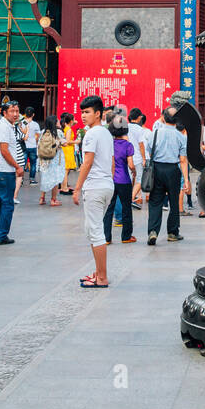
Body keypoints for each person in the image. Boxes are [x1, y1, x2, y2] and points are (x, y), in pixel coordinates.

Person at [72, 95, 115, 285]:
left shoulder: (91, 134)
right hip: (106, 185)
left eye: (87, 112)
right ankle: (98, 273)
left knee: (96, 232)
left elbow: (87, 161)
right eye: (82, 112)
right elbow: (112, 162)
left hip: (95, 186)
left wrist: (77, 187)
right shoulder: (106, 133)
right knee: (93, 230)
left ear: (98, 114)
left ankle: (102, 277)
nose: (83, 116)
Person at [146, 106, 188, 245]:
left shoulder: (155, 133)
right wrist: (186, 180)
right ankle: (172, 232)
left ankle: (153, 231)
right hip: (173, 170)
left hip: (157, 169)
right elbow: (182, 160)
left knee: (155, 201)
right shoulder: (181, 136)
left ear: (163, 117)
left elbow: (149, 152)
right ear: (177, 120)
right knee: (174, 202)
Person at [0, 102, 23, 245]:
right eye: (12, 111)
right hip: (4, 171)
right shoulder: (3, 127)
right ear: (4, 112)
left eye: (17, 111)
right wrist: (17, 167)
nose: (15, 114)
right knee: (7, 204)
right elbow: (4, 150)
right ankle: (1, 235)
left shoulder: (6, 126)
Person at [104, 113, 137, 244]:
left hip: (111, 180)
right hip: (124, 180)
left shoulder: (109, 144)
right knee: (126, 207)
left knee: (109, 209)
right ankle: (126, 236)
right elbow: (130, 164)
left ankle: (106, 237)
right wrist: (134, 171)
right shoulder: (128, 145)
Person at [37, 115, 65, 206]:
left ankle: (42, 198)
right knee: (55, 179)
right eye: (57, 121)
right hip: (55, 159)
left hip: (44, 159)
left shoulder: (43, 132)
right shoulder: (58, 132)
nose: (59, 122)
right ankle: (53, 200)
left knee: (45, 178)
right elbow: (64, 143)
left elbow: (39, 144)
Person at [127, 108, 149, 211]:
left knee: (129, 178)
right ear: (139, 117)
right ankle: (130, 198)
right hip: (137, 158)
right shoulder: (140, 129)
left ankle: (128, 198)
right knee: (140, 179)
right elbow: (141, 145)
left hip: (127, 158)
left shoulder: (125, 127)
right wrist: (144, 158)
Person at [21, 107, 40, 186]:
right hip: (32, 146)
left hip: (24, 146)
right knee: (33, 163)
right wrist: (34, 141)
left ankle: (20, 179)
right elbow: (37, 135)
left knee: (22, 163)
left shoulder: (22, 122)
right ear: (33, 115)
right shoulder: (35, 124)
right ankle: (32, 180)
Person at [60, 112, 78, 195]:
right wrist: (76, 141)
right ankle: (64, 188)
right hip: (67, 150)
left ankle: (64, 187)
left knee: (65, 170)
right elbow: (67, 141)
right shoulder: (69, 129)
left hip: (66, 149)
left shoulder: (65, 127)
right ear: (71, 121)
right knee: (66, 171)